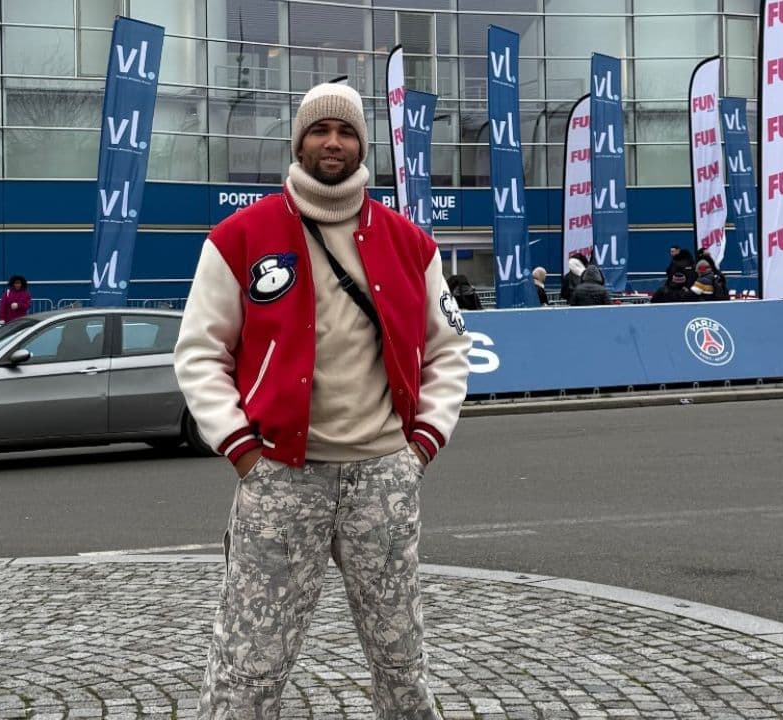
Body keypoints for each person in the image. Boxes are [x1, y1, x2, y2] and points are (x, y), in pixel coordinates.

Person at [173, 80, 471, 718]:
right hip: (280, 477)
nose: (332, 142)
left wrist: (419, 447)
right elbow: (200, 354)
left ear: (363, 145)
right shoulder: (240, 237)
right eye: (319, 130)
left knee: (401, 656)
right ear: (298, 141)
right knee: (249, 660)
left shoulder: (410, 243)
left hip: (384, 477)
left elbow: (448, 349)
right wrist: (244, 452)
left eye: (345, 132)